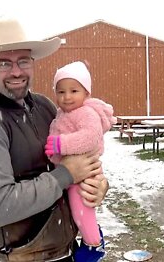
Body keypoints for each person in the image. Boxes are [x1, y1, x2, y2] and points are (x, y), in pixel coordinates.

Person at [0, 18, 109, 262]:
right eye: (4, 63)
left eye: (23, 60)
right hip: (27, 257)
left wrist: (98, 187)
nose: (16, 71)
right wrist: (66, 175)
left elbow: (79, 157)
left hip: (67, 251)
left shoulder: (44, 106)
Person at [44, 61, 116, 262]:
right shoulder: (62, 114)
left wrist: (61, 145)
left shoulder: (86, 113)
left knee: (81, 209)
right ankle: (91, 238)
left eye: (74, 90)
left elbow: (90, 137)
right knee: (77, 210)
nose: (67, 97)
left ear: (86, 93)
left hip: (84, 174)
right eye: (61, 92)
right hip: (71, 171)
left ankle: (93, 245)